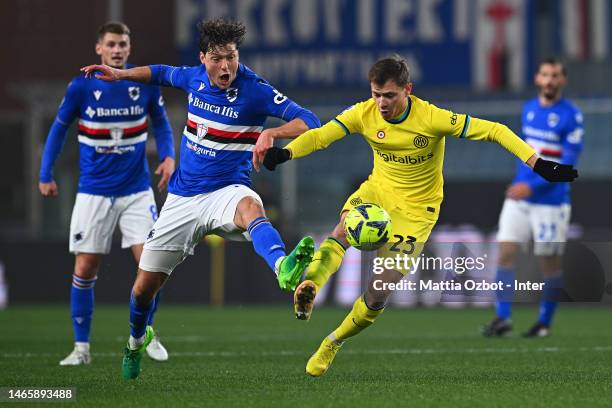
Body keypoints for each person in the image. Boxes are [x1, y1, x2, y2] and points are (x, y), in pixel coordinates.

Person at [263, 55, 578, 377]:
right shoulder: (364, 113)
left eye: (389, 95)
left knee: (378, 291)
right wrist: (286, 152)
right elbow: (321, 136)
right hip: (377, 193)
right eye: (376, 94)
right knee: (342, 230)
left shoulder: (431, 117)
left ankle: (332, 342)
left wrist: (537, 164)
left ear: (407, 90)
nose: (381, 103)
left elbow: (494, 130)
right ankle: (310, 288)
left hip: (417, 212)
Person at [81, 18, 321, 379]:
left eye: (232, 57)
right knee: (143, 290)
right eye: (218, 58)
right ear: (203, 58)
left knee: (251, 207)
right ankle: (135, 341)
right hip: (182, 199)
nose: (226, 66)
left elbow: (311, 120)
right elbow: (160, 72)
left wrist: (273, 132)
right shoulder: (192, 77)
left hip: (226, 191)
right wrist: (121, 76)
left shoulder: (254, 89)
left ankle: (283, 268)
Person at [39, 22, 176, 366]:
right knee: (85, 267)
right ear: (99, 49)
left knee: (151, 265)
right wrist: (45, 173)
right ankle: (81, 349)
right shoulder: (81, 87)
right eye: (111, 44)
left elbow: (160, 122)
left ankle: (146, 333)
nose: (117, 50)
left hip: (136, 191)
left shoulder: (142, 84)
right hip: (94, 192)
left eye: (123, 45)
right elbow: (59, 129)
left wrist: (169, 157)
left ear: (129, 49)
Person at [482, 58, 583, 338]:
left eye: (555, 75)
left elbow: (568, 166)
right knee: (505, 253)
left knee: (548, 262)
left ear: (562, 80)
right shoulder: (529, 110)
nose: (549, 80)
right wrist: (523, 186)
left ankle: (544, 324)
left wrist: (533, 187)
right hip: (519, 197)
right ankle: (502, 319)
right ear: (537, 78)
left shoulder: (571, 116)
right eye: (545, 74)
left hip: (551, 202)